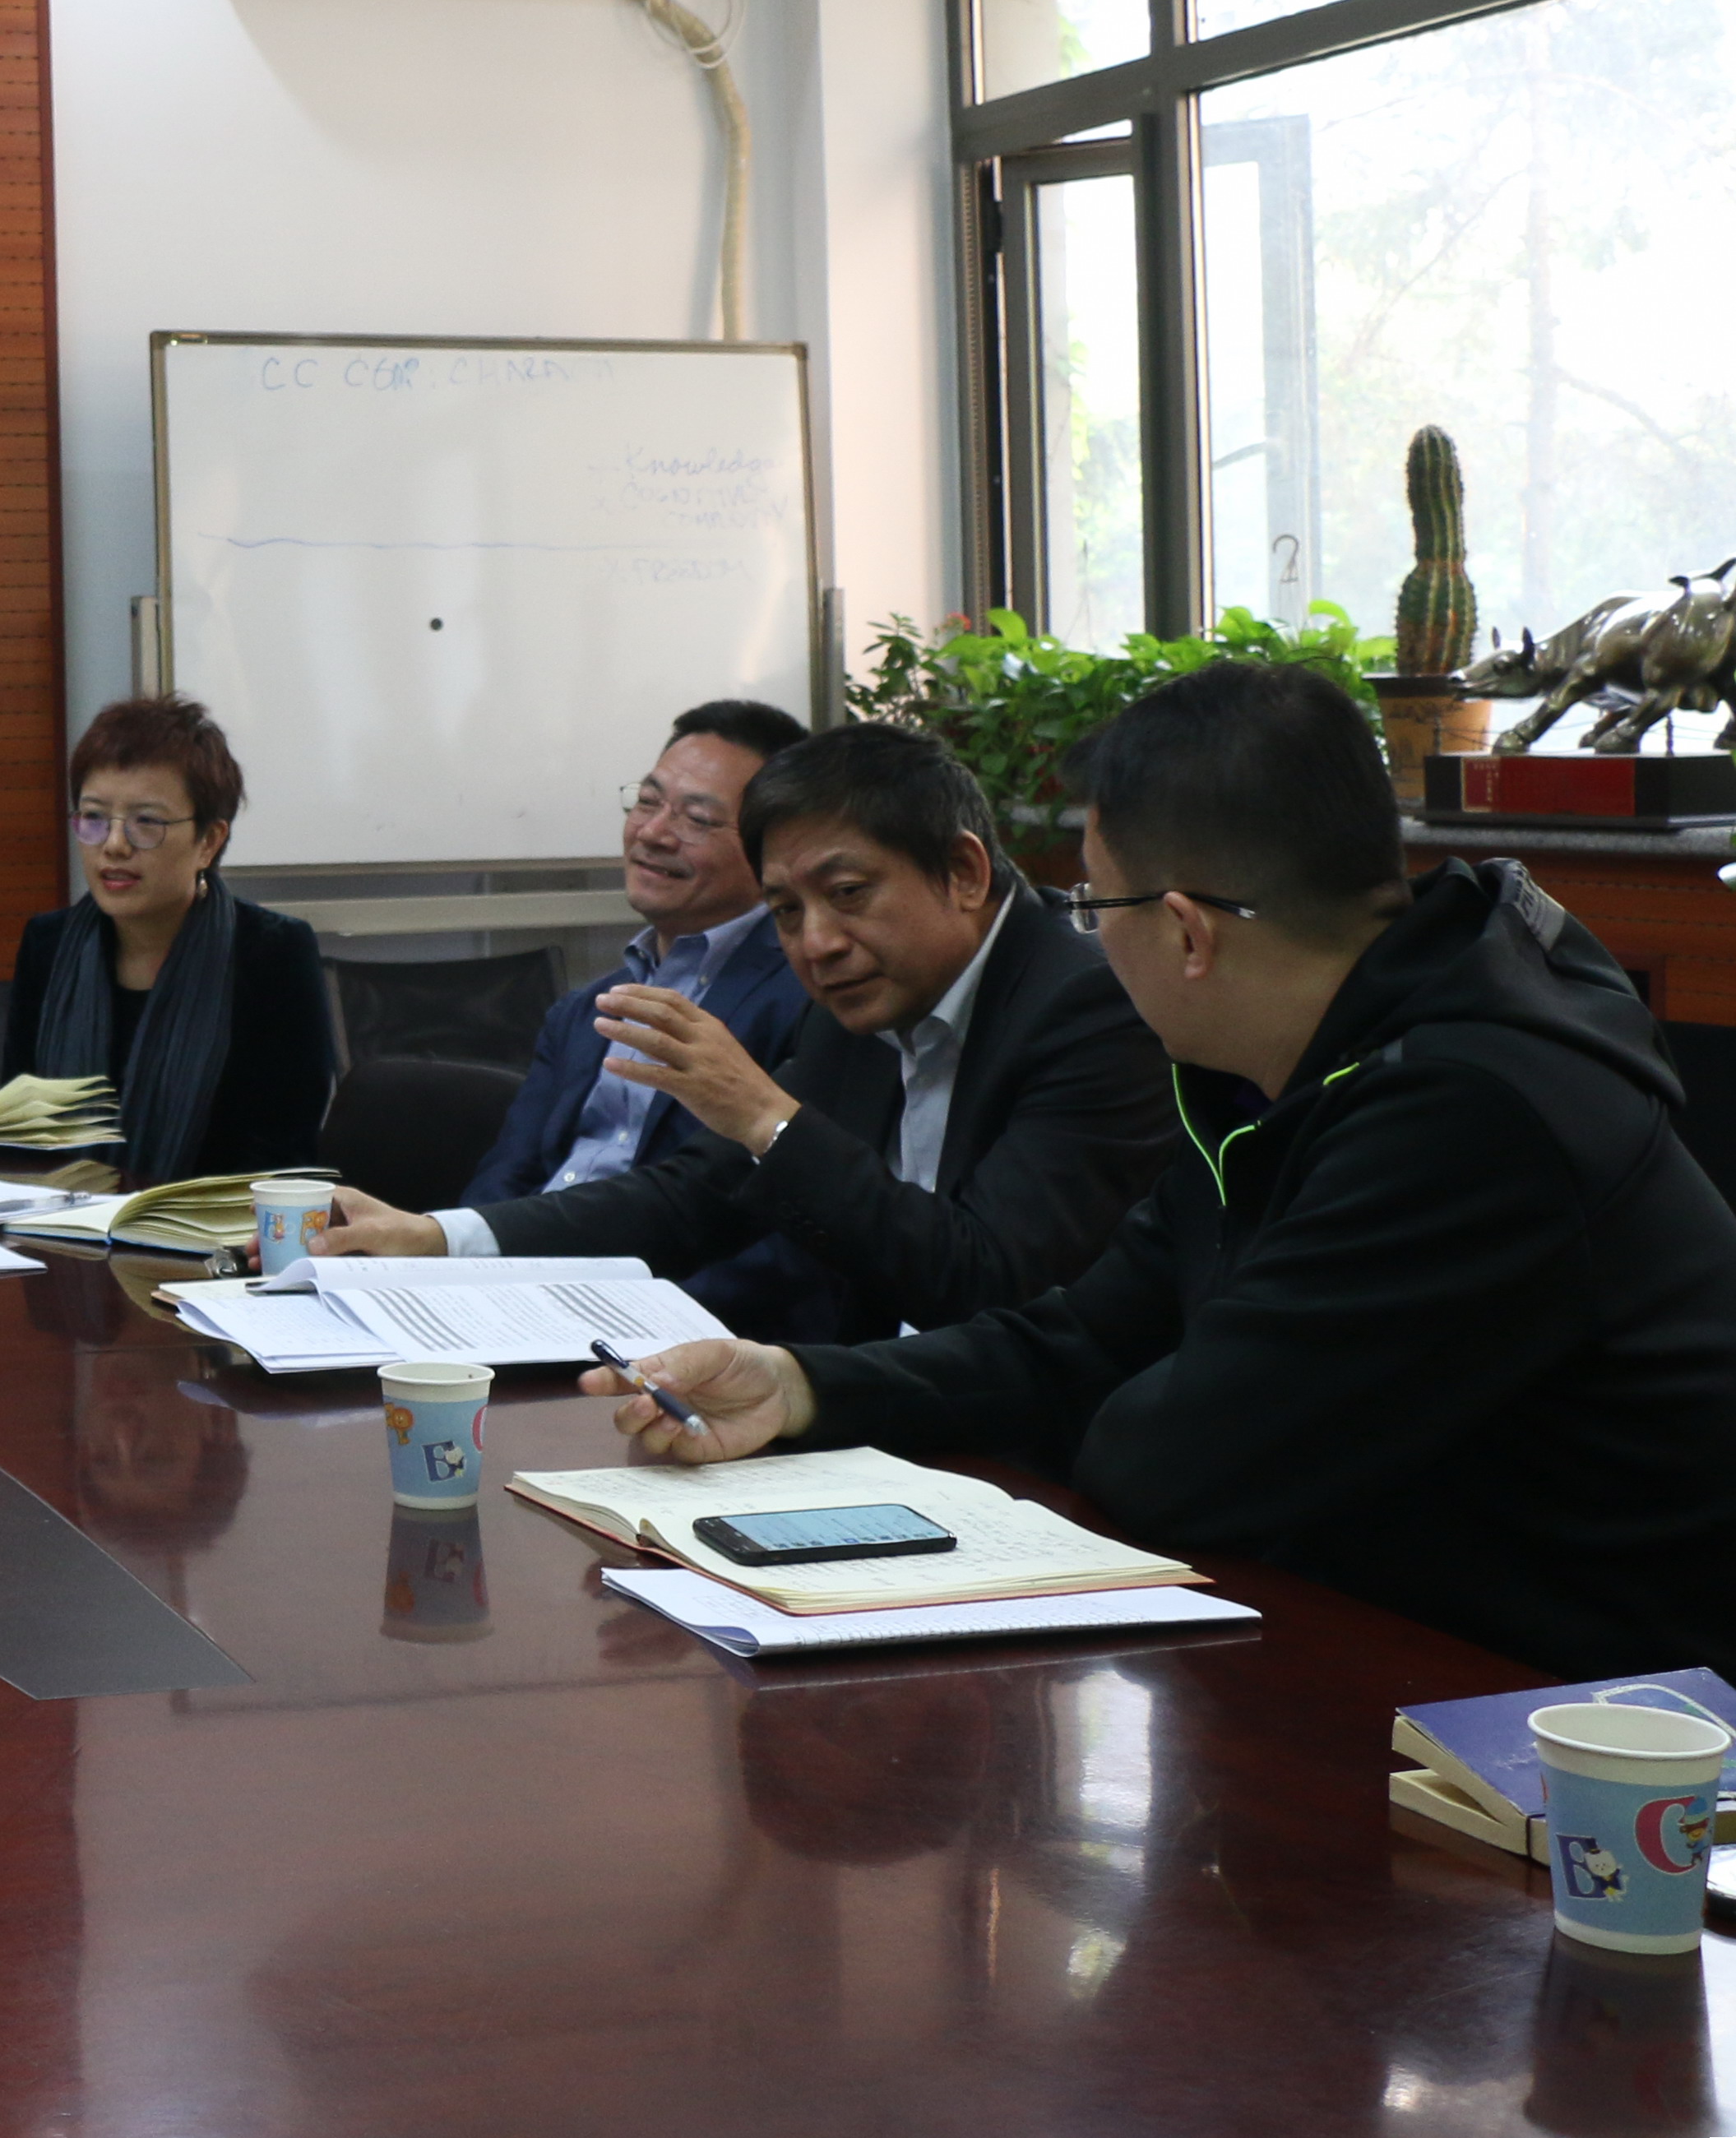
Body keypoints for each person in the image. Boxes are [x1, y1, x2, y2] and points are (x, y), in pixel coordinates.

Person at [586, 660, 1736, 1679]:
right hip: (1399, 1642)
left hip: (1600, 1718)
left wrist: (1083, 1402)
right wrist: (799, 1385)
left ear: (1186, 930)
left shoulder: (1468, 1115)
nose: (1085, 939)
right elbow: (1080, 1335)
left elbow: (1176, 1462)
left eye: (1093, 906)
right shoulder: (1267, 1077)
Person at [319, 721, 1168, 1343]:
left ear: (964, 871)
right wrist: (440, 1236)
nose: (817, 943)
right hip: (887, 1409)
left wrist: (768, 1118)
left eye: (848, 894)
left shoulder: (1090, 1009)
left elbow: (985, 1281)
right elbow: (695, 1196)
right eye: (786, 910)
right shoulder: (857, 1005)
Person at [459, 700, 817, 1328]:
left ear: (772, 845)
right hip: (517, 1306)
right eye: (647, 801)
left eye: (697, 818)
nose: (652, 833)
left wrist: (616, 1317)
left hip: (661, 1328)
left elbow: (776, 1241)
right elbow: (505, 1181)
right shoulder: (583, 1008)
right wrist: (449, 1274)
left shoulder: (806, 998)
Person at [0, 695, 331, 1180]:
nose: (114, 845)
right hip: (58, 1219)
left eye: (147, 822)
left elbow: (282, 1161)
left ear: (209, 841)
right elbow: (19, 1135)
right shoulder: (48, 946)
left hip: (214, 1225)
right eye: (94, 818)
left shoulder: (273, 953)